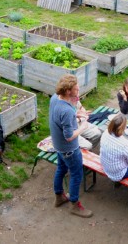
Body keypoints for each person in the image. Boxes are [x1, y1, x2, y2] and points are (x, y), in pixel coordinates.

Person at [49, 74, 93, 218]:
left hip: (57, 145)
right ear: (68, 91)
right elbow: (69, 136)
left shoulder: (55, 98)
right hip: (69, 149)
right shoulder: (67, 111)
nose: (78, 90)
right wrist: (83, 127)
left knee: (61, 168)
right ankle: (74, 204)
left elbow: (60, 118)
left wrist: (77, 116)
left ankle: (59, 197)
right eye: (77, 89)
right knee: (76, 174)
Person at [100, 114, 128, 182]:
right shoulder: (125, 144)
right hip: (118, 174)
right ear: (123, 128)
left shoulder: (105, 133)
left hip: (106, 167)